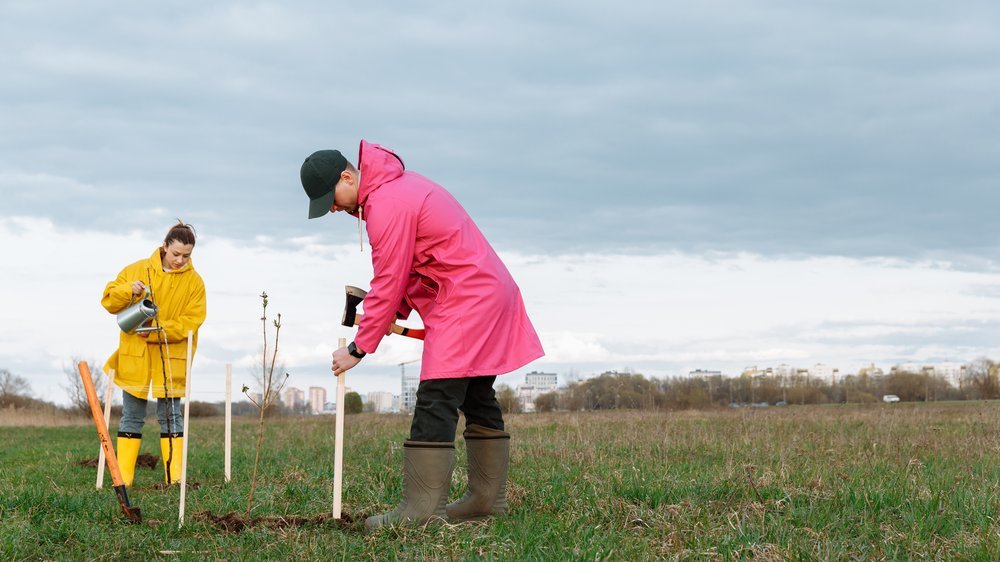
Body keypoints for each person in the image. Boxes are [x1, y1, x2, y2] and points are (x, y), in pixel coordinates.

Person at [300, 141, 544, 531]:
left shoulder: (385, 204)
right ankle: (485, 501)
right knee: (477, 393)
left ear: (348, 177)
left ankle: (421, 510)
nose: (332, 208)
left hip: (466, 299)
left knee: (436, 396)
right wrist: (388, 313)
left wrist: (358, 347)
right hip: (484, 291)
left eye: (331, 198)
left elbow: (390, 278)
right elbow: (409, 276)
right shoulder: (398, 188)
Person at [100, 221, 206, 487]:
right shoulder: (137, 270)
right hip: (135, 355)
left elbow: (191, 321)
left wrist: (158, 331)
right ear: (165, 246)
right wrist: (129, 291)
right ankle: (124, 479)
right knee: (131, 415)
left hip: (173, 356)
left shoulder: (195, 282)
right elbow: (109, 301)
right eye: (176, 254)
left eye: (187, 256)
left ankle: (175, 478)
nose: (181, 260)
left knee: (171, 416)